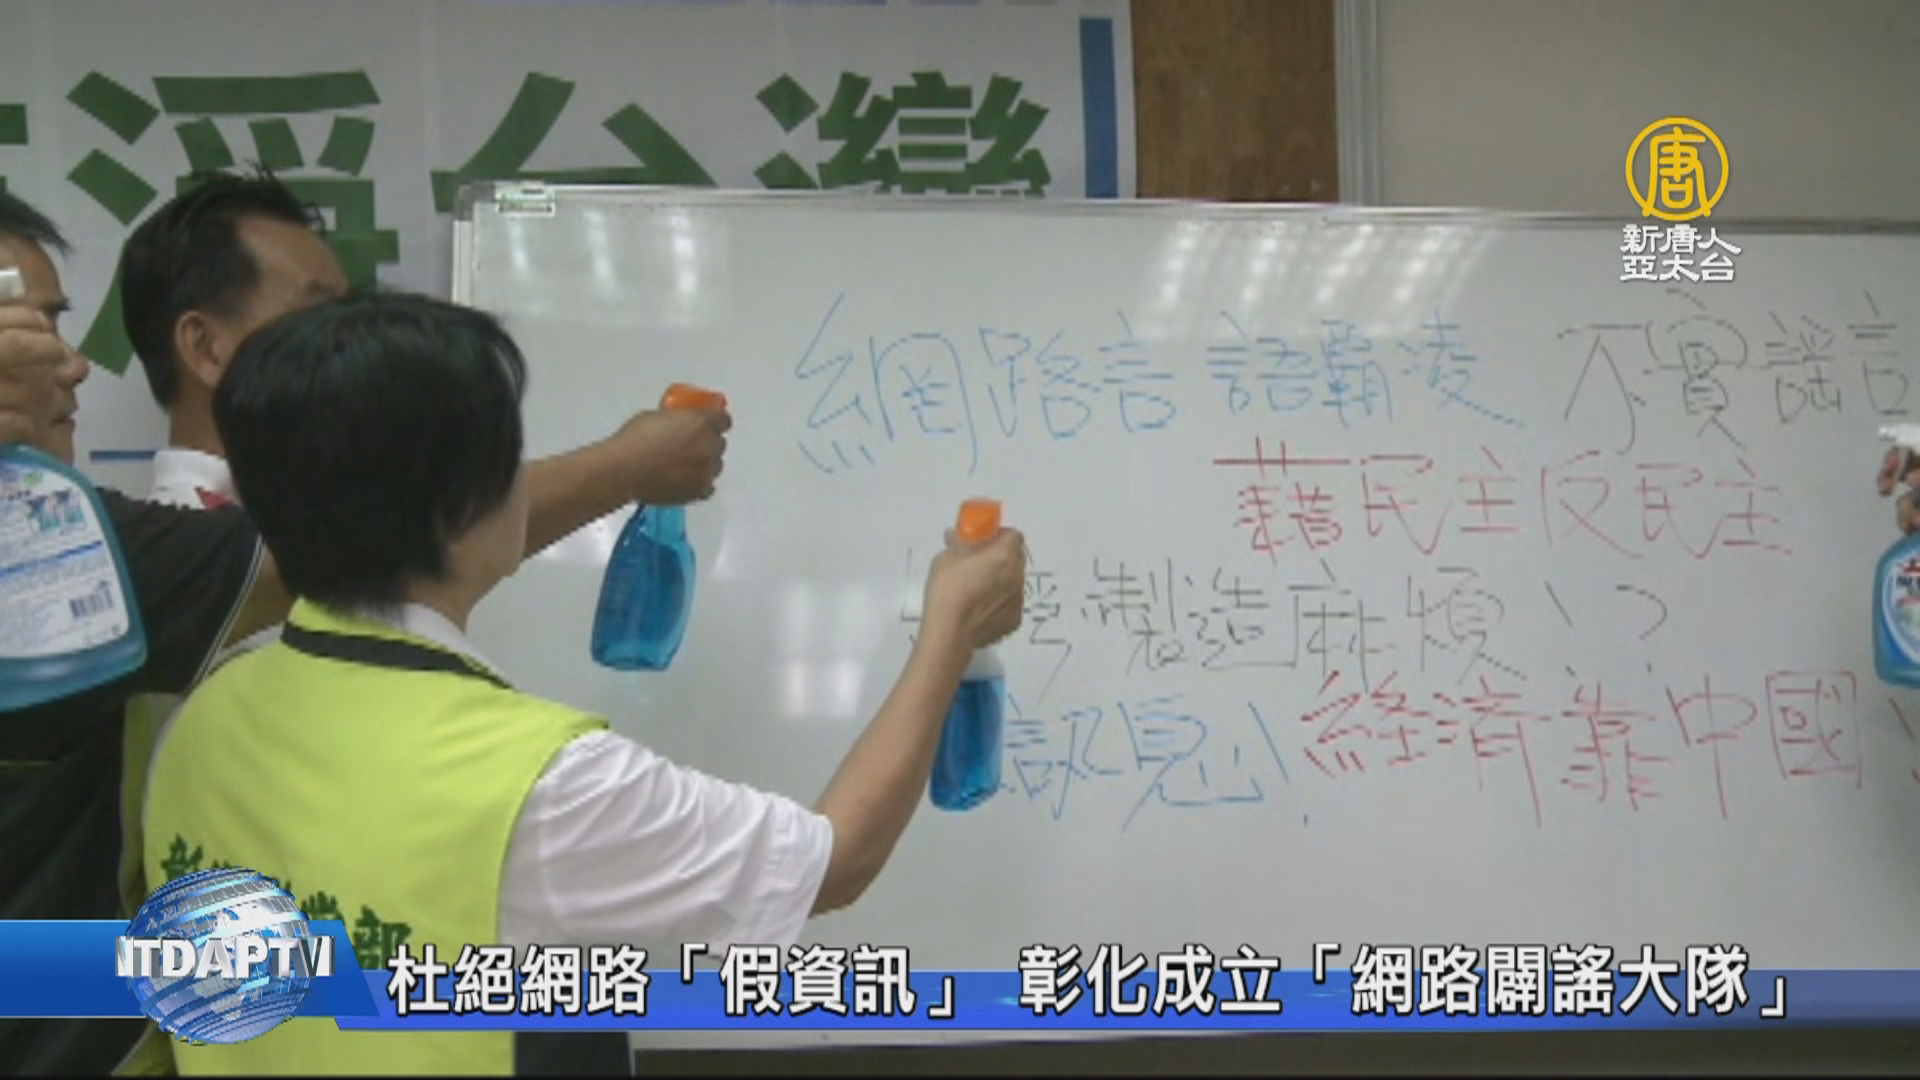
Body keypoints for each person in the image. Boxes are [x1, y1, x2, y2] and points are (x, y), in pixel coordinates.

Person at [142, 292, 1027, 1076]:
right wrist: (949, 630)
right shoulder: (533, 782)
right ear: (468, 503)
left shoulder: (202, 714)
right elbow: (835, 862)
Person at [112, 170, 733, 923]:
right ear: (204, 345)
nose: (348, 339)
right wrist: (624, 465)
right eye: (319, 311)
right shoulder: (160, 569)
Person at [0, 192, 292, 1075]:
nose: (75, 366)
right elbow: (364, 550)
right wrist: (628, 465)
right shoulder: (60, 550)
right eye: (36, 327)